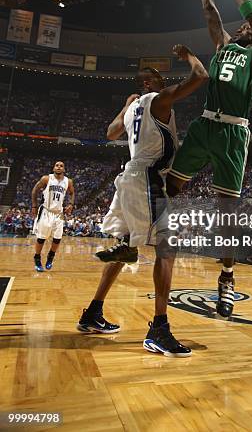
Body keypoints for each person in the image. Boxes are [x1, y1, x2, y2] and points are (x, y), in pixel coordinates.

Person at [77, 44, 208, 358]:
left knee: (125, 247)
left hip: (129, 178)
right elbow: (201, 76)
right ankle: (159, 329)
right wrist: (189, 55)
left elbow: (110, 133)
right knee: (167, 248)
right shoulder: (159, 100)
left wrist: (125, 106)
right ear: (158, 85)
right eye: (158, 80)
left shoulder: (135, 106)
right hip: (145, 177)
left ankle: (92, 312)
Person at [166, 0, 252, 318]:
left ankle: (227, 277)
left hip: (232, 133)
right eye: (241, 24)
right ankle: (151, 238)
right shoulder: (223, 45)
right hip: (204, 126)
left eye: (247, 24)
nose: (244, 24)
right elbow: (209, 10)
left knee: (227, 211)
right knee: (169, 186)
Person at [31, 161, 74, 272]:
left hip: (59, 214)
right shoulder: (46, 179)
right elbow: (35, 190)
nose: (59, 167)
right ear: (53, 168)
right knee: (41, 238)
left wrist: (71, 204)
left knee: (57, 239)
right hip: (46, 211)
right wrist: (34, 206)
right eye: (57, 165)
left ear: (64, 169)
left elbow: (72, 193)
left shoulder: (68, 181)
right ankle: (37, 258)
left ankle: (50, 257)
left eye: (61, 166)